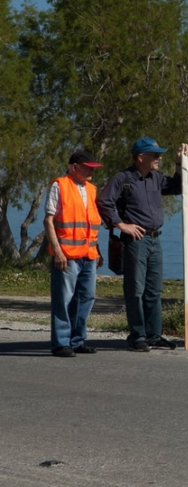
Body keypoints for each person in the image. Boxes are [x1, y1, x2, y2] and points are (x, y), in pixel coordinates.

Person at [98, 137, 188, 352]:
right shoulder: (123, 178)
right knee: (136, 290)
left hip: (155, 240)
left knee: (154, 291)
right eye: (155, 155)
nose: (159, 158)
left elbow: (178, 186)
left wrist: (180, 162)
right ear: (141, 157)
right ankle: (137, 336)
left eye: (160, 154)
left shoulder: (156, 178)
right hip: (135, 242)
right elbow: (104, 201)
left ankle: (154, 335)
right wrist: (121, 225)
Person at [44, 150, 104, 357]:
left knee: (86, 298)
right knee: (64, 300)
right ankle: (61, 343)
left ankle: (77, 340)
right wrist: (58, 252)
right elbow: (48, 221)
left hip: (88, 255)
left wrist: (97, 251)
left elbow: (92, 224)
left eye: (93, 168)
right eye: (88, 168)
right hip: (67, 256)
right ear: (74, 167)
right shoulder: (59, 185)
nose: (91, 172)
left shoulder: (92, 189)